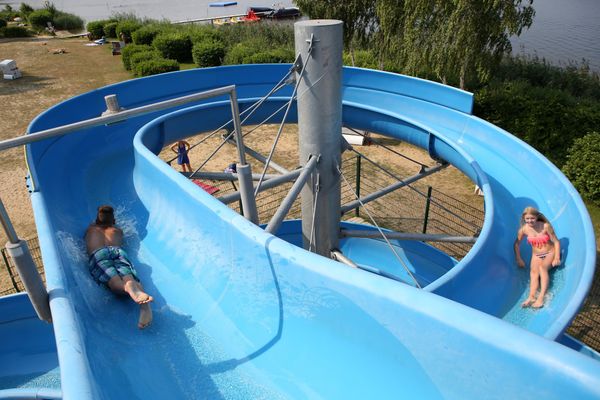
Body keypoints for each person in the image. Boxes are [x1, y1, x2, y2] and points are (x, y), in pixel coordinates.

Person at [85, 205, 153, 329]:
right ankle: (136, 291)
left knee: (114, 282)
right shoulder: (117, 230)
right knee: (129, 275)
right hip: (117, 251)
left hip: (99, 253)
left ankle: (127, 288)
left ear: (96, 220)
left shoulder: (90, 229)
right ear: (114, 221)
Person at [514, 206, 561, 308]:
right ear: (524, 219)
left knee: (542, 268)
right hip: (536, 255)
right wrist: (518, 258)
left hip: (550, 252)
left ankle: (541, 297)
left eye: (532, 218)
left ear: (536, 217)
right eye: (527, 219)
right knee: (534, 273)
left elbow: (556, 242)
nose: (530, 221)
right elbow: (516, 244)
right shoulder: (523, 230)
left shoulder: (545, 226)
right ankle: (531, 297)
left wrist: (557, 257)